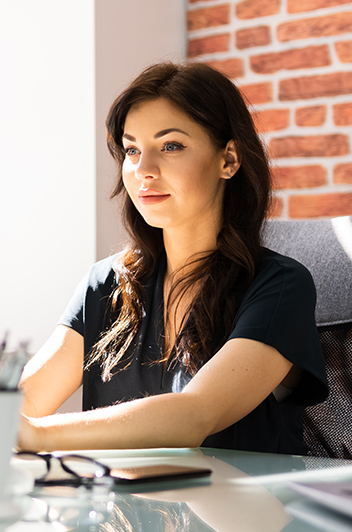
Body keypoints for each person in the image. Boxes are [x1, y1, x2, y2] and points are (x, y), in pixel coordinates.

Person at [17, 61, 328, 455]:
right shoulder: (106, 284)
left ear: (228, 160)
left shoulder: (280, 286)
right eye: (132, 150)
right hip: (123, 513)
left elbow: (194, 416)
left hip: (235, 512)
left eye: (171, 146)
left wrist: (38, 436)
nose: (143, 170)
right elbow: (23, 403)